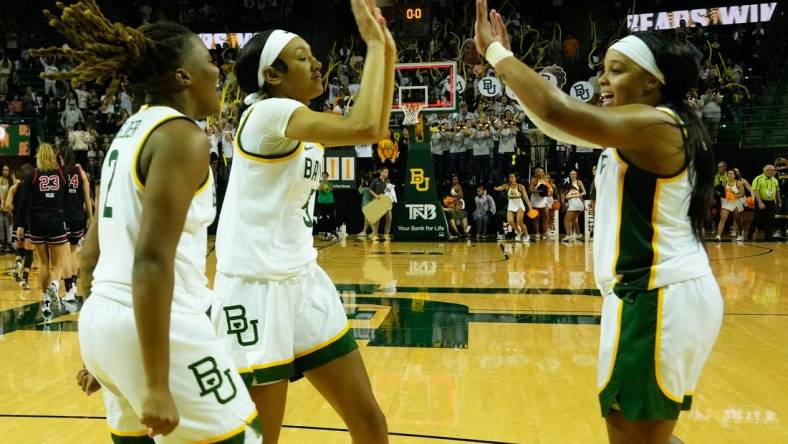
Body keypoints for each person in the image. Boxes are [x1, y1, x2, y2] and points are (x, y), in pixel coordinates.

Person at [475, 3, 722, 442]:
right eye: (603, 70)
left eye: (616, 71)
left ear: (652, 81)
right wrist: (515, 80)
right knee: (642, 433)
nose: (601, 81)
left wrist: (497, 55)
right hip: (653, 296)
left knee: (632, 434)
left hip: (655, 296)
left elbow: (556, 109)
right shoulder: (647, 125)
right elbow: (558, 126)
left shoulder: (655, 124)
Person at [32, 3, 260, 442]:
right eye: (209, 62)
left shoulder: (129, 130)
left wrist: (102, 351)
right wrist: (154, 382)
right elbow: (152, 259)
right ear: (183, 77)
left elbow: (93, 248)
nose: (220, 72)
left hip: (104, 319)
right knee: (246, 436)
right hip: (159, 326)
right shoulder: (183, 136)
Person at [213, 1, 394, 441]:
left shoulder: (299, 120)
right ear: (272, 75)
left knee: (368, 419)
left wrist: (386, 51)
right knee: (262, 438)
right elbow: (366, 126)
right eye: (302, 57)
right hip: (255, 290)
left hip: (303, 279)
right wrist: (373, 46)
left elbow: (377, 126)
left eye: (313, 55)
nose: (317, 63)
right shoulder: (267, 113)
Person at [17, 143, 71, 318]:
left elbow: (24, 202)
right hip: (56, 219)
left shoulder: (32, 174)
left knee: (42, 263)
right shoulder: (62, 174)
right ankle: (54, 286)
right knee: (58, 264)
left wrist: (21, 226)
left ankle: (45, 300)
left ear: (39, 156)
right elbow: (66, 198)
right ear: (54, 156)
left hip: (36, 222)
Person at [61, 147, 93, 300]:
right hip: (79, 217)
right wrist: (91, 219)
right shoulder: (81, 173)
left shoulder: (59, 172)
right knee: (73, 251)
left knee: (65, 253)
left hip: (63, 217)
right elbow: (88, 199)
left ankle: (69, 289)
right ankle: (73, 285)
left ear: (61, 157)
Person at [4, 164, 34, 289]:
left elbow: (7, 205)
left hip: (17, 222)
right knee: (29, 252)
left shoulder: (14, 187)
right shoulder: (33, 186)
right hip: (30, 222)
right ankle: (24, 279)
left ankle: (17, 263)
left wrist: (15, 210)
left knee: (20, 249)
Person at [495, 173, 532, 241]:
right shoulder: (506, 186)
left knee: (519, 222)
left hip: (519, 205)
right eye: (509, 177)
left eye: (512, 177)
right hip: (511, 205)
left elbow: (526, 198)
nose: (511, 178)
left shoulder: (520, 187)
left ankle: (527, 235)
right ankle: (519, 232)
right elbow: (498, 188)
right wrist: (495, 187)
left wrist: (530, 208)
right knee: (510, 221)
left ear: (516, 178)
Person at [747, 164, 781, 241]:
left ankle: (768, 237)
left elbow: (777, 191)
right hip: (761, 201)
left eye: (774, 170)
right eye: (773, 170)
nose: (774, 172)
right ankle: (750, 233)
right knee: (757, 219)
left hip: (771, 202)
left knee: (771, 219)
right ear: (767, 171)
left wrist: (779, 201)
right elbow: (755, 190)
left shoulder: (774, 180)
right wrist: (760, 202)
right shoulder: (758, 178)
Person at [715, 169, 745, 241]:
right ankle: (718, 236)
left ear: (735, 175)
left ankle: (740, 235)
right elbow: (720, 192)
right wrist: (720, 194)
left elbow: (742, 194)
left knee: (737, 219)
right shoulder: (724, 183)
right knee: (723, 218)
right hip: (727, 202)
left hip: (736, 202)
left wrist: (733, 196)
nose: (729, 175)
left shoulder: (739, 183)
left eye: (731, 173)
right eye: (728, 173)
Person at [562, 169, 586, 241]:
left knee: (566, 220)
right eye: (571, 174)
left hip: (576, 203)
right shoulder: (567, 183)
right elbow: (564, 194)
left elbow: (584, 192)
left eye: (574, 174)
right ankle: (578, 234)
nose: (573, 175)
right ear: (569, 175)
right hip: (573, 203)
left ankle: (569, 235)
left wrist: (577, 194)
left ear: (576, 175)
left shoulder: (579, 182)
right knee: (574, 220)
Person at [316, 171, 337, 240]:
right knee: (322, 218)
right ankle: (322, 233)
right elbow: (319, 189)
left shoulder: (330, 183)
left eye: (325, 176)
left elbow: (331, 189)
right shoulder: (319, 183)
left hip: (330, 202)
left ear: (327, 177)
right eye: (323, 176)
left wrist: (326, 182)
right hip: (321, 203)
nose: (324, 177)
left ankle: (330, 232)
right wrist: (323, 182)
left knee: (330, 218)